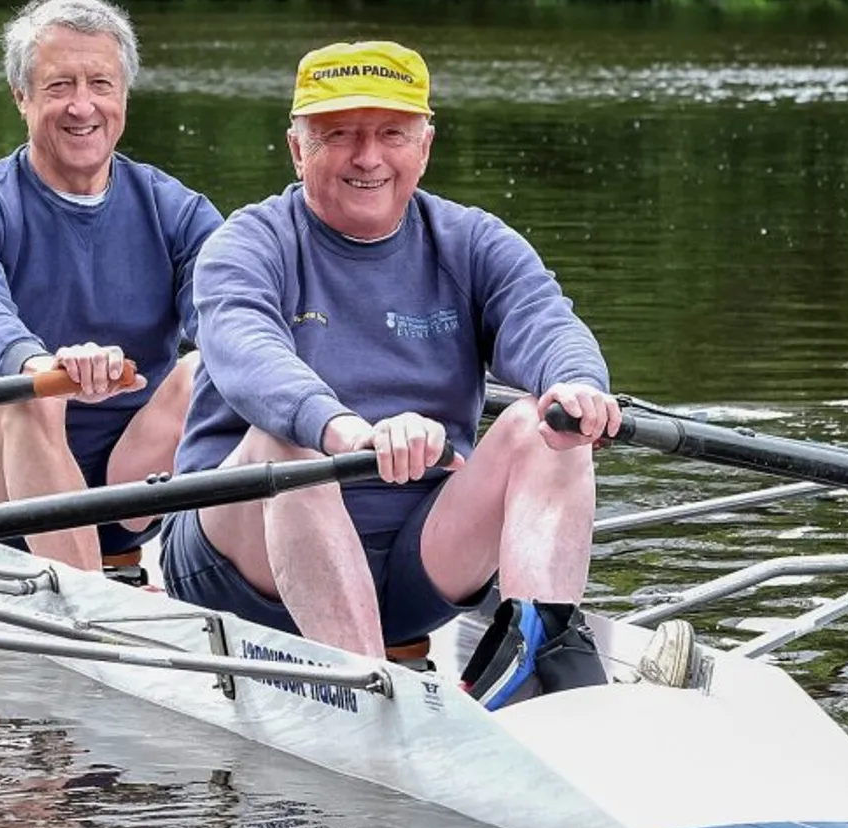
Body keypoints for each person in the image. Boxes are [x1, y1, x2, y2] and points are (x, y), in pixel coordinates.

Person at [163, 39, 679, 706]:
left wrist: (576, 383)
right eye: (339, 134)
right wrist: (343, 431)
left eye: (391, 134)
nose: (368, 157)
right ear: (297, 149)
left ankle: (541, 663)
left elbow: (543, 318)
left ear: (425, 146)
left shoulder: (473, 241)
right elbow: (245, 350)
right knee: (287, 445)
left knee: (545, 427)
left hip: (416, 570)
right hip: (236, 562)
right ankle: (369, 694)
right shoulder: (248, 243)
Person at [0, 0, 222, 571]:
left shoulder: (179, 212)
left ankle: (209, 570)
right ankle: (91, 605)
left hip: (124, 485)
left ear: (123, 95)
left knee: (218, 363)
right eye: (59, 86)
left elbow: (224, 305)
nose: (83, 106)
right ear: (22, 96)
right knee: (33, 393)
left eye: (100, 84)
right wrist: (38, 362)